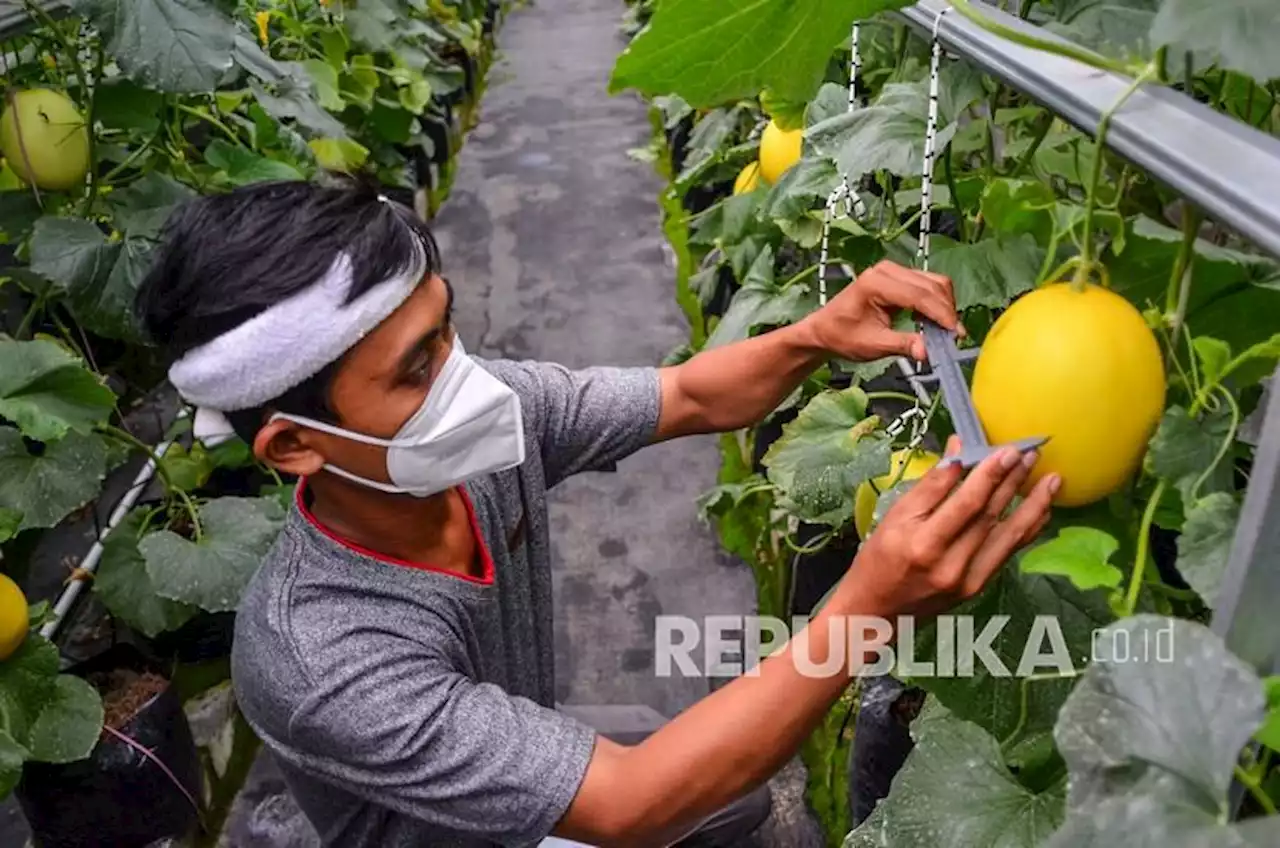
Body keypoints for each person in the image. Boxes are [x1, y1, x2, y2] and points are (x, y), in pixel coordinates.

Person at [134, 176, 1059, 848]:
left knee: (731, 806)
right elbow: (627, 802)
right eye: (416, 368)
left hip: (533, 796)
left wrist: (815, 335)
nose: (463, 375)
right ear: (295, 447)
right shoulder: (317, 653)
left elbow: (689, 396)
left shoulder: (475, 424)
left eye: (446, 327)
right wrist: (869, 609)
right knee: (685, 800)